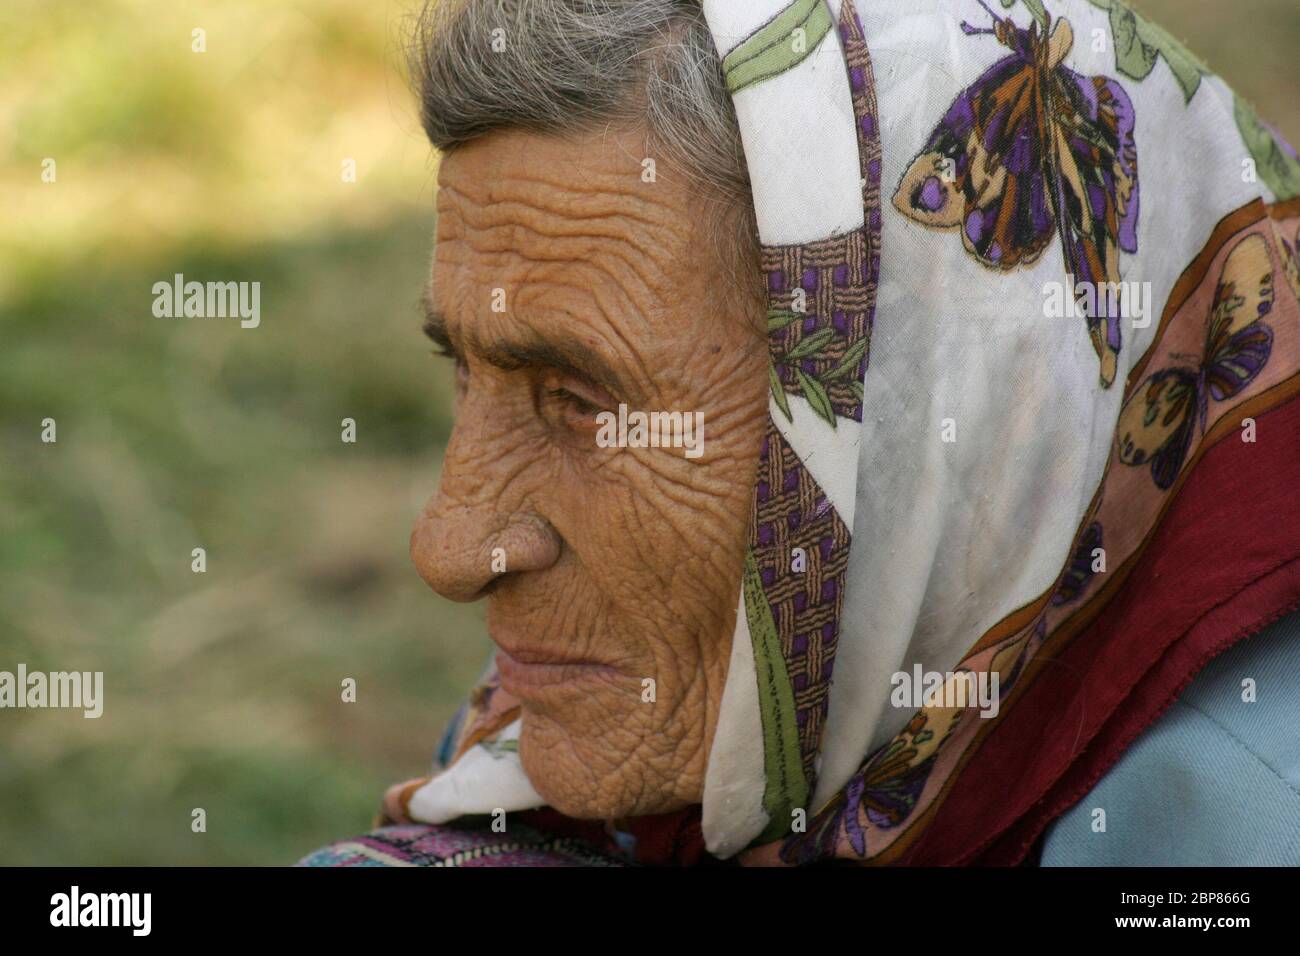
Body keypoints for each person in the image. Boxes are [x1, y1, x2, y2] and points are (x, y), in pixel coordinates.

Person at [301, 0, 1300, 867]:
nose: (449, 547)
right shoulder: (653, 702)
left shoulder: (1244, 825)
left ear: (935, 426)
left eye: (580, 401)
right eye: (463, 372)